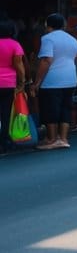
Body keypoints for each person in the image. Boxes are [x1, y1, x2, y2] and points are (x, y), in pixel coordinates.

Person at [31, 13, 77, 150]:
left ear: (47, 25)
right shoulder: (71, 39)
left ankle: (51, 138)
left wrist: (37, 82)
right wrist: (71, 64)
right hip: (71, 78)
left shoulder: (47, 39)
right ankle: (64, 138)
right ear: (63, 25)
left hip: (52, 79)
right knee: (65, 107)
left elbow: (46, 60)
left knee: (50, 108)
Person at [0, 19, 26, 153]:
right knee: (5, 113)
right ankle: (4, 141)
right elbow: (18, 65)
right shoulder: (15, 45)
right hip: (7, 83)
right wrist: (22, 81)